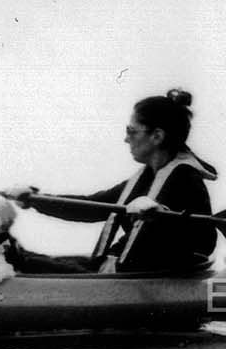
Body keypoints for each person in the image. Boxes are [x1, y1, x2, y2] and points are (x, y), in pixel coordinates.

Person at [84, 88, 218, 274]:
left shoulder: (186, 180)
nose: (126, 139)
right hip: (129, 273)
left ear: (157, 136)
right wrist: (37, 200)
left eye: (131, 131)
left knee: (30, 263)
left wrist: (160, 214)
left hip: (155, 280)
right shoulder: (145, 179)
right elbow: (93, 206)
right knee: (30, 261)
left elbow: (204, 242)